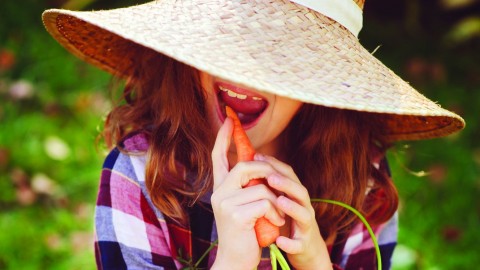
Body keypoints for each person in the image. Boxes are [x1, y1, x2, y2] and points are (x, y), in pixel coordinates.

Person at [42, 0, 465, 269]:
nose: (243, 75)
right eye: (227, 48)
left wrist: (315, 261)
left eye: (287, 60)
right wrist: (232, 262)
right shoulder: (138, 173)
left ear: (321, 87)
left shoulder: (361, 175)